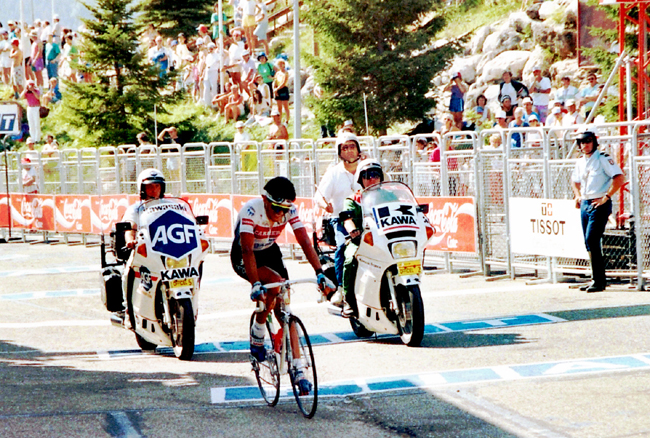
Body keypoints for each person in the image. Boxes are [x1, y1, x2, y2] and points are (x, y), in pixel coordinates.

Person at [230, 177, 335, 394]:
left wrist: (320, 272)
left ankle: (298, 369)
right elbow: (248, 251)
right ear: (264, 200)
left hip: (269, 252)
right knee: (275, 284)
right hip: (245, 255)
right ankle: (258, 332)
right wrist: (256, 283)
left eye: (283, 210)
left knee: (284, 309)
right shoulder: (251, 211)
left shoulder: (288, 210)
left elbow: (305, 241)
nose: (279, 214)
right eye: (276, 208)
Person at [571, 131, 625, 292]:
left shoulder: (602, 158)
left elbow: (619, 177)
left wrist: (606, 196)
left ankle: (600, 281)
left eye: (588, 141)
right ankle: (596, 278)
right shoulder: (581, 161)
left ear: (594, 142)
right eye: (581, 142)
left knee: (592, 239)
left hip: (599, 202)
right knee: (588, 242)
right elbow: (575, 180)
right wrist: (578, 196)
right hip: (586, 203)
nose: (585, 145)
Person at [315, 132, 363, 298]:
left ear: (358, 149)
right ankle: (342, 288)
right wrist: (325, 205)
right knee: (343, 246)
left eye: (352, 146)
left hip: (367, 217)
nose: (349, 150)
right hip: (340, 219)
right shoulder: (333, 173)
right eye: (345, 147)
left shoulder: (368, 168)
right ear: (339, 152)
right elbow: (319, 196)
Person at [120, 169, 168, 327]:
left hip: (167, 250)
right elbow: (130, 228)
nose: (154, 190)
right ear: (142, 188)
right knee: (128, 273)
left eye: (157, 186)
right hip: (145, 251)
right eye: (150, 186)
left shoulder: (171, 206)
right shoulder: (136, 209)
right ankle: (129, 311)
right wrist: (130, 240)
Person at [339, 159, 385, 317]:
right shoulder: (353, 200)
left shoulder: (388, 196)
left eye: (376, 175)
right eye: (367, 175)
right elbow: (347, 219)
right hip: (361, 240)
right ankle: (348, 300)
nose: (372, 179)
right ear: (360, 179)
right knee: (350, 259)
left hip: (385, 240)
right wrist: (352, 230)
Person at [273, 59, 290, 123]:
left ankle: (287, 120)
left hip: (283, 89)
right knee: (279, 106)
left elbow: (283, 82)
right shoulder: (277, 73)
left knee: (285, 106)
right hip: (277, 89)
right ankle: (279, 119)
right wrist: (274, 88)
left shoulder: (286, 73)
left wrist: (277, 89)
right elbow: (275, 81)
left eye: (281, 64)